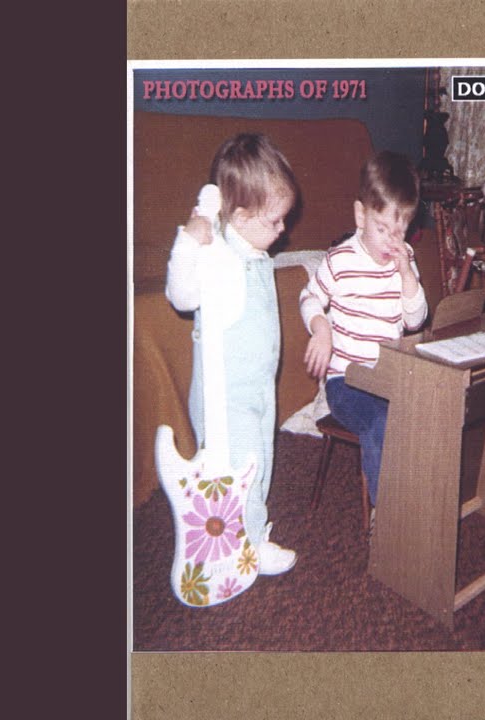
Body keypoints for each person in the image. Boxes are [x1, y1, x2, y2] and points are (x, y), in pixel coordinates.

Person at [165, 133, 298, 575]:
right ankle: (252, 544)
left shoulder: (254, 252)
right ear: (239, 216)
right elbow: (181, 295)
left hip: (256, 387)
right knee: (245, 468)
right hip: (226, 398)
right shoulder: (218, 255)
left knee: (260, 460)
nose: (283, 230)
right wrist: (189, 241)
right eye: (275, 221)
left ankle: (243, 534)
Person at [299, 151, 428, 530]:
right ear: (360, 216)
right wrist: (321, 328)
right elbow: (309, 297)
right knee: (381, 420)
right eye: (382, 228)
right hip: (347, 381)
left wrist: (407, 276)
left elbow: (416, 319)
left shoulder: (404, 261)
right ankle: (385, 514)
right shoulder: (340, 261)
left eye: (400, 231)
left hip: (388, 377)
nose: (391, 241)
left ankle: (421, 496)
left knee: (432, 408)